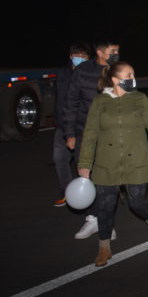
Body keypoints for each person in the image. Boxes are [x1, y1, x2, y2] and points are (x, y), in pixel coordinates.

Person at [77, 61, 148, 267]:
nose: (133, 78)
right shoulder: (100, 102)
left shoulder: (139, 98)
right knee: (105, 207)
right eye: (129, 74)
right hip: (105, 163)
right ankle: (104, 247)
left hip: (135, 160)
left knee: (136, 202)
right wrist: (85, 163)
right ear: (115, 79)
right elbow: (90, 134)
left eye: (133, 74)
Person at [61, 36, 121, 239]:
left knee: (106, 179)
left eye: (118, 51)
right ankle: (92, 219)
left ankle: (105, 223)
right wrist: (69, 134)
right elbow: (71, 103)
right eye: (113, 51)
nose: (116, 55)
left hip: (110, 133)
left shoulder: (120, 70)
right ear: (100, 52)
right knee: (85, 176)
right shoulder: (83, 71)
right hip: (84, 133)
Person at [52, 41, 90, 207]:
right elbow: (61, 100)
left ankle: (87, 195)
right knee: (59, 158)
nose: (79, 59)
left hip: (83, 126)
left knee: (82, 162)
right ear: (70, 57)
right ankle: (67, 193)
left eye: (83, 56)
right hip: (64, 124)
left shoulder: (91, 75)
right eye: (76, 56)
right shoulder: (63, 74)